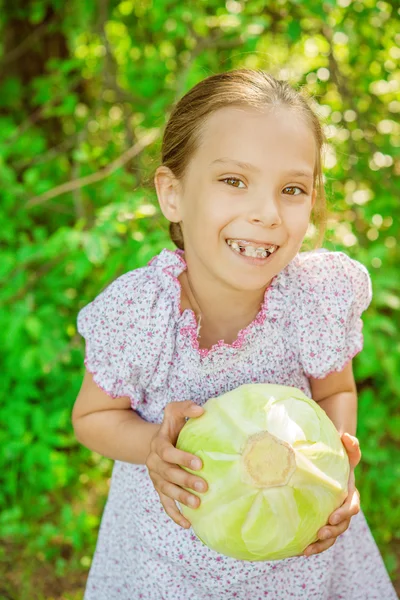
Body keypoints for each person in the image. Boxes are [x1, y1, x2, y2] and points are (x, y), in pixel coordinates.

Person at [72, 69, 397, 599]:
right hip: (167, 566)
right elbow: (93, 417)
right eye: (233, 181)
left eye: (292, 189)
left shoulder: (312, 299)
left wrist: (334, 475)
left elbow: (334, 391)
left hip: (298, 567)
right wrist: (153, 445)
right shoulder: (142, 313)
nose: (267, 214)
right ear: (172, 194)